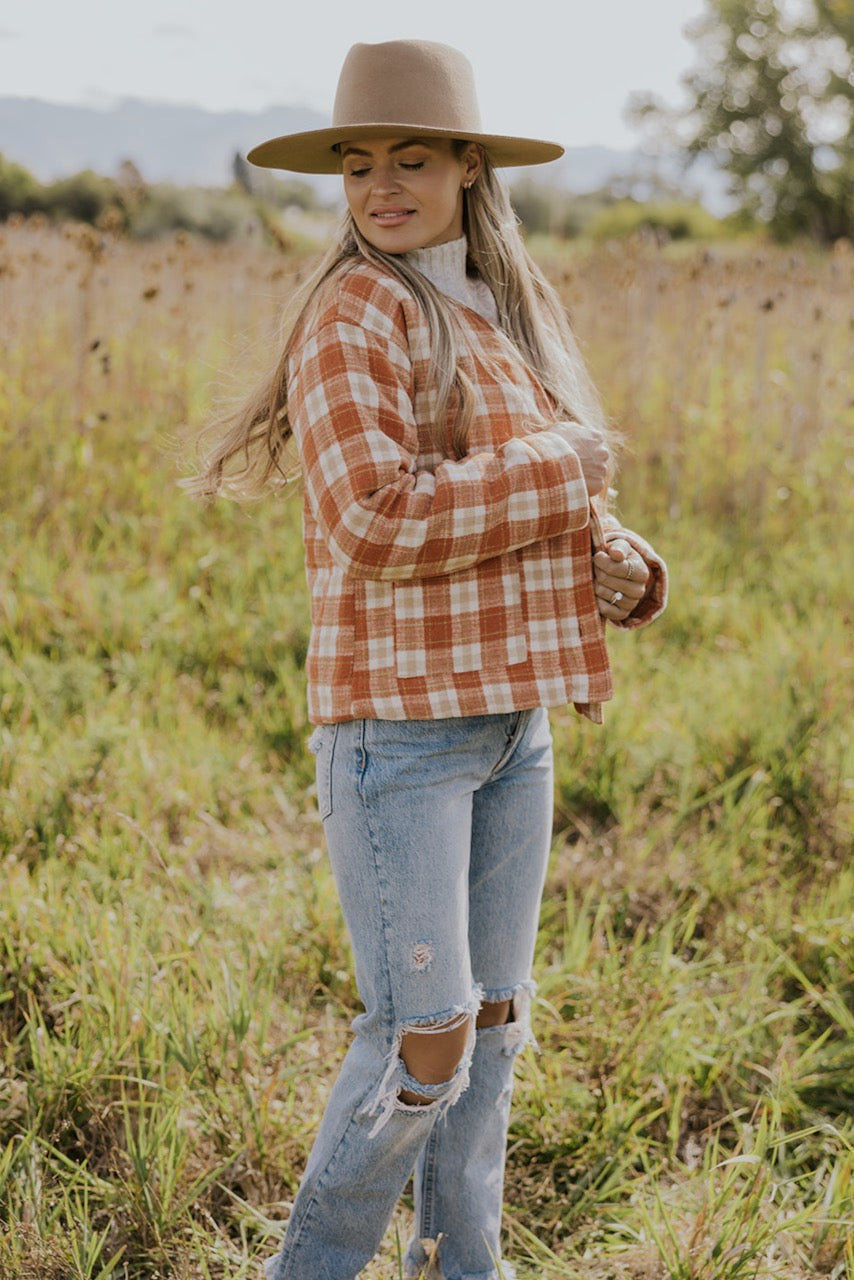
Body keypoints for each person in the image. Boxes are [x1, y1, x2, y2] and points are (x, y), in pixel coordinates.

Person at [189, 39, 667, 1280]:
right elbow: (376, 519)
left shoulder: (496, 309)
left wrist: (619, 560)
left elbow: (538, 499)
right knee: (428, 1037)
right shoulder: (354, 308)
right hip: (397, 732)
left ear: (468, 166)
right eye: (356, 163)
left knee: (496, 1030)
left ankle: (463, 1265)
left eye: (408, 157)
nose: (379, 185)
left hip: (513, 726)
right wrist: (565, 465)